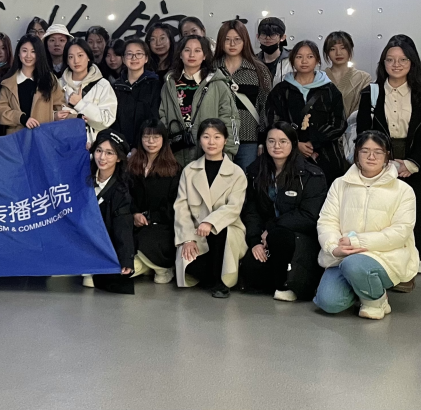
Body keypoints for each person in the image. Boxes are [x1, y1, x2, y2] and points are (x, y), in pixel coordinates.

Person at [356, 34, 421, 271]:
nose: (396, 65)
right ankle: (385, 255)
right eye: (390, 60)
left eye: (403, 60)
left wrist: (410, 163)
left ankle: (419, 255)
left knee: (417, 208)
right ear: (383, 63)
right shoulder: (370, 93)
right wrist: (382, 161)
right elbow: (363, 130)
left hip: (415, 159)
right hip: (380, 159)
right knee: (384, 210)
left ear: (412, 63)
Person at [314, 131, 418, 320]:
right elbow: (327, 221)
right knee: (329, 302)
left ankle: (376, 300)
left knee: (354, 265)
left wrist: (356, 241)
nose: (371, 157)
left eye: (378, 152)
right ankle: (361, 286)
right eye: (365, 151)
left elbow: (400, 232)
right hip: (343, 256)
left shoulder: (403, 190)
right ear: (357, 154)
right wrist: (333, 247)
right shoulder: (340, 184)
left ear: (387, 155)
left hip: (383, 256)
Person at [238, 123, 327, 301]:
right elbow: (252, 211)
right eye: (271, 141)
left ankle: (286, 284)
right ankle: (275, 277)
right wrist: (255, 241)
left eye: (283, 141)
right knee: (250, 275)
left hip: (297, 237)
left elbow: (309, 216)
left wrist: (271, 228)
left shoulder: (311, 175)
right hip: (265, 236)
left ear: (293, 143)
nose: (276, 146)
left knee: (279, 237)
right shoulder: (256, 171)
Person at [174, 118, 247, 298]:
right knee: (189, 265)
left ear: (225, 140)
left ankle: (219, 282)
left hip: (227, 232)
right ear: (200, 140)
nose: (211, 142)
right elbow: (181, 207)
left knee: (220, 231)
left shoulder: (237, 173)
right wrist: (187, 238)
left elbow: (233, 208)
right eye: (206, 137)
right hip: (196, 233)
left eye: (217, 137)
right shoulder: (189, 171)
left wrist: (210, 222)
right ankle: (213, 274)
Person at [266, 40, 347, 185]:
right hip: (288, 157)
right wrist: (295, 144)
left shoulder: (329, 90)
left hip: (326, 157)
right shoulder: (281, 90)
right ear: (292, 60)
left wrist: (313, 142)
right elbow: (273, 121)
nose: (304, 61)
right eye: (299, 57)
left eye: (310, 56)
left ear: (317, 60)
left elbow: (339, 122)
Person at [158, 34, 238, 165]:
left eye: (197, 50)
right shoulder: (169, 84)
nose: (192, 55)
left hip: (210, 154)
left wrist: (228, 153)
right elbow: (163, 117)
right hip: (175, 155)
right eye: (187, 50)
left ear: (205, 55)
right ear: (180, 54)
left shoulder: (217, 84)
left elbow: (230, 119)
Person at [126, 120, 180, 284]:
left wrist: (150, 217)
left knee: (148, 240)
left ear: (164, 139)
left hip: (162, 225)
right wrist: (134, 214)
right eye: (146, 137)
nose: (151, 142)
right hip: (133, 222)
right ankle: (151, 266)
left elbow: (175, 204)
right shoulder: (130, 166)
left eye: (156, 137)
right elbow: (125, 196)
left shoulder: (174, 169)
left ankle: (160, 267)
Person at [214, 19, 272, 171]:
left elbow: (266, 106)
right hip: (216, 138)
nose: (232, 44)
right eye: (227, 39)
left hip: (249, 139)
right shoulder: (211, 69)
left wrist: (263, 139)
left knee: (246, 180)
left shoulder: (259, 70)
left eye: (237, 39)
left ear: (245, 41)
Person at [87, 130, 136, 294]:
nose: (102, 157)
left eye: (109, 153)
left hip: (103, 241)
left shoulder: (121, 190)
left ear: (119, 157)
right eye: (99, 150)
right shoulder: (82, 178)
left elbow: (123, 225)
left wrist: (126, 259)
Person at [0, 34, 64, 135]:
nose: (28, 55)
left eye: (33, 51)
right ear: (18, 53)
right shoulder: (8, 82)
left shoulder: (50, 79)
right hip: (16, 138)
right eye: (24, 51)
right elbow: (1, 112)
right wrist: (21, 118)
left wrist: (57, 115)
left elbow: (60, 106)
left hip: (43, 137)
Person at [59, 39, 116, 145]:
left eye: (80, 55)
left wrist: (80, 104)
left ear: (89, 57)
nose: (76, 61)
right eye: (71, 57)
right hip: (62, 144)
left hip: (92, 146)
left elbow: (107, 120)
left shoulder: (102, 85)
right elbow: (47, 115)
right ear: (66, 60)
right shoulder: (58, 84)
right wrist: (56, 115)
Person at [111, 39, 161, 150]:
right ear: (123, 59)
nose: (134, 58)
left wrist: (138, 147)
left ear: (146, 58)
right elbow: (112, 120)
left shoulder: (155, 85)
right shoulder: (115, 87)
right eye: (129, 54)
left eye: (139, 54)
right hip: (119, 147)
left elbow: (154, 118)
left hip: (147, 146)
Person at [323, 31, 372, 118]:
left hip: (354, 125)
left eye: (343, 48)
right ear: (327, 52)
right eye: (332, 49)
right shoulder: (318, 77)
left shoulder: (363, 78)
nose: (338, 53)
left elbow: (362, 110)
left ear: (350, 49)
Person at [255, 17, 292, 84]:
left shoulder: (292, 61)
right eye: (264, 34)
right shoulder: (252, 61)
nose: (267, 38)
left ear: (282, 37)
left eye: (272, 34)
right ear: (258, 37)